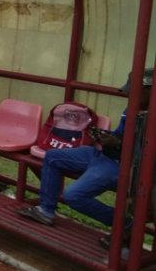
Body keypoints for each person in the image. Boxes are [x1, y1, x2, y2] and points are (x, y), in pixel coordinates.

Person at [18, 69, 153, 234]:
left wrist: (117, 143)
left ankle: (125, 225)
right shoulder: (132, 108)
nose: (128, 95)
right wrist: (106, 137)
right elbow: (120, 136)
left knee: (73, 195)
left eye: (133, 90)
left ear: (148, 90)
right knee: (53, 156)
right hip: (104, 155)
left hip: (122, 166)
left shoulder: (151, 116)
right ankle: (46, 211)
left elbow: (142, 154)